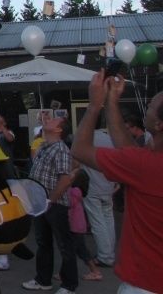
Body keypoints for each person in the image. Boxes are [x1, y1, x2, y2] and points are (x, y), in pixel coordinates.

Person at [72, 70, 163, 293]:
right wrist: (112, 102)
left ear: (159, 124)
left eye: (150, 106)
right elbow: (128, 151)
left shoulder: (144, 165)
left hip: (144, 285)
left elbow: (79, 149)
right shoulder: (144, 164)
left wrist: (94, 105)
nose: (146, 109)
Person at [22, 115, 78, 294]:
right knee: (43, 242)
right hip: (41, 203)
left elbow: (65, 178)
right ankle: (43, 279)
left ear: (59, 129)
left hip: (54, 204)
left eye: (54, 120)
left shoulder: (60, 149)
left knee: (64, 244)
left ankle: (69, 285)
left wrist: (50, 200)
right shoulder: (45, 146)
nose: (48, 120)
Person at [81, 128, 116, 268]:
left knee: (97, 221)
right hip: (109, 184)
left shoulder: (86, 137)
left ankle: (105, 256)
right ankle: (109, 253)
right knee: (108, 219)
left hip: (92, 186)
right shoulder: (112, 138)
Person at [0, 114, 16, 272]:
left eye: (0, 118)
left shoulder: (9, 133)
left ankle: (2, 255)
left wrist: (2, 127)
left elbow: (10, 139)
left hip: (7, 178)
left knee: (3, 216)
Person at [66, 167, 102, 282]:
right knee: (69, 249)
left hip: (75, 226)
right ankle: (64, 272)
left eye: (72, 174)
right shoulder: (78, 191)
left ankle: (95, 271)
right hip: (77, 225)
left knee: (81, 250)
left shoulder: (74, 191)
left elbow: (68, 202)